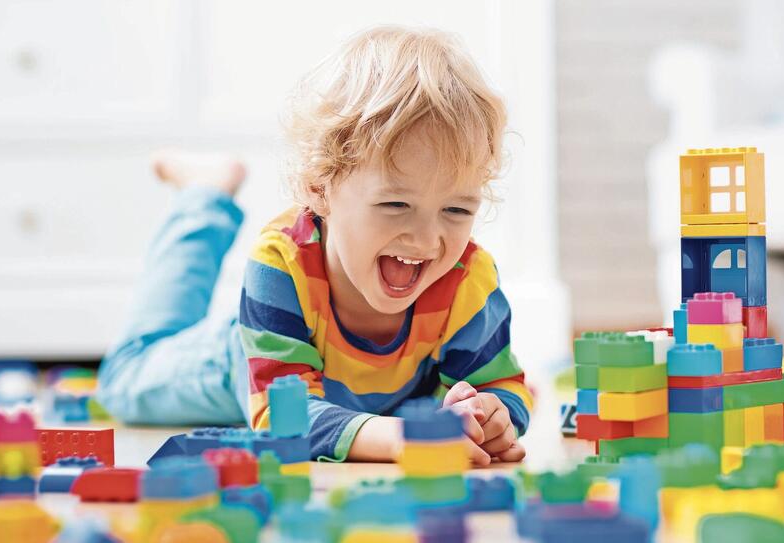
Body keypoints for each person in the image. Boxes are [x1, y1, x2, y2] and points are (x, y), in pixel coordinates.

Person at [97, 26, 531, 466]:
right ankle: (203, 200)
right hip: (246, 359)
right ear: (319, 189)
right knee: (125, 380)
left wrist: (493, 417)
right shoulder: (280, 264)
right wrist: (404, 438)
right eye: (396, 203)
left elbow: (504, 386)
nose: (426, 240)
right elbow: (283, 416)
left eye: (456, 210)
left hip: (347, 397)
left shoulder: (467, 280)